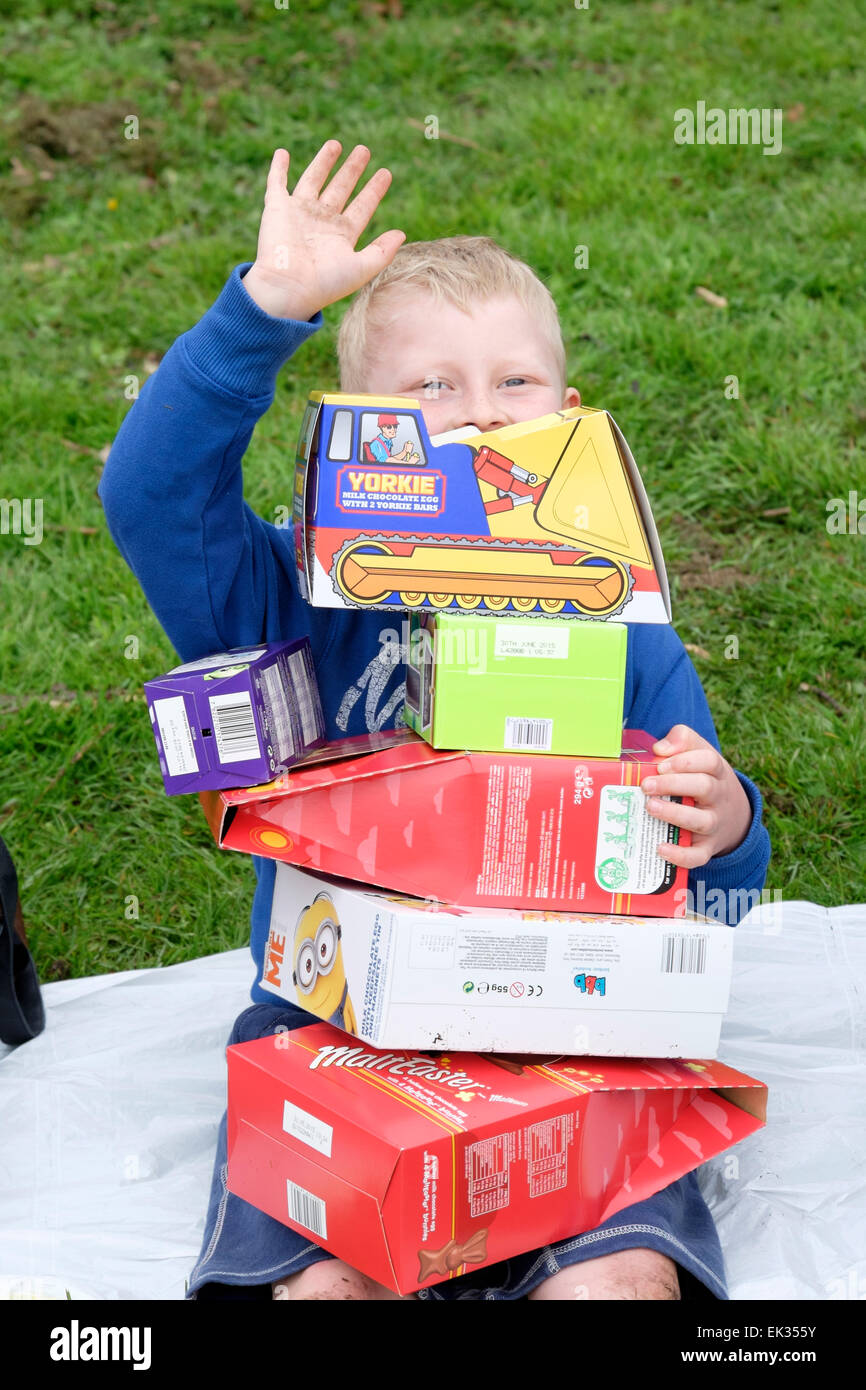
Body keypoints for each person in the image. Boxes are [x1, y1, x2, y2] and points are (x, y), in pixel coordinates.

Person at [99, 140, 771, 1302]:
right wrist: (262, 312)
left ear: (569, 414)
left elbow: (720, 884)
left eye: (513, 383)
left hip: (573, 1033)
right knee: (323, 1287)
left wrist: (725, 818)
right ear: (358, 431)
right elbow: (151, 495)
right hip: (338, 1030)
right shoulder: (290, 602)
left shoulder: (622, 625)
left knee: (613, 1284)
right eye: (429, 388)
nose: (475, 417)